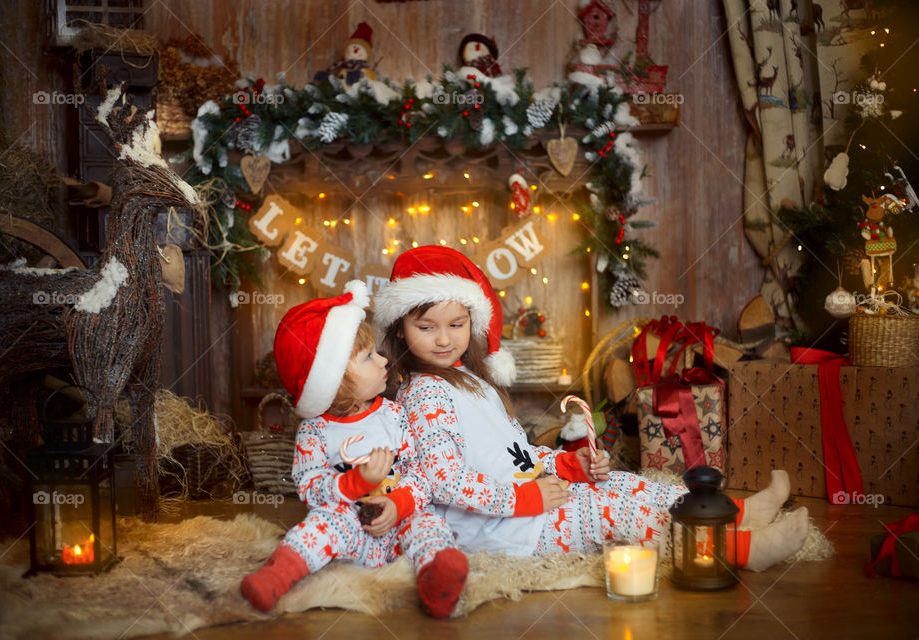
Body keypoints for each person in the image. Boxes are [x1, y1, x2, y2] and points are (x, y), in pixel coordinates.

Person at [374, 246, 808, 569]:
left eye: (456, 324)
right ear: (400, 328)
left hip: (530, 497)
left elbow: (515, 453)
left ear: (473, 323)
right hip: (504, 527)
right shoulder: (425, 395)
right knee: (621, 512)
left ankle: (737, 512)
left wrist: (567, 464)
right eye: (426, 327)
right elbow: (444, 483)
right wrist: (525, 498)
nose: (444, 339)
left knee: (629, 486)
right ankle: (742, 552)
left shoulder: (471, 382)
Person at [240, 280, 468, 618]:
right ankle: (275, 577)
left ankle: (436, 582)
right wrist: (355, 483)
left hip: (398, 521)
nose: (383, 361)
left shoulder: (394, 415)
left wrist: (397, 503)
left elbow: (419, 472)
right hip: (349, 528)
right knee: (319, 525)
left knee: (429, 525)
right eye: (368, 357)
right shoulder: (315, 431)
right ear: (335, 379)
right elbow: (309, 486)